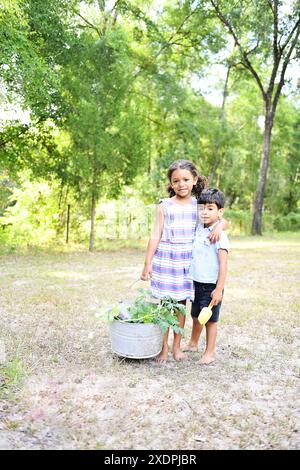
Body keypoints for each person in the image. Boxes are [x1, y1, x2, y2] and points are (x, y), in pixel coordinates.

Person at [140, 160, 227, 363]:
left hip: (187, 261)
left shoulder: (198, 205)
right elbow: (155, 235)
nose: (181, 184)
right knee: (164, 306)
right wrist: (147, 262)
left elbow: (220, 217)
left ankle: (177, 347)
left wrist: (220, 225)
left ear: (194, 180)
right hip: (166, 260)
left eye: (186, 179)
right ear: (171, 183)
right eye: (176, 180)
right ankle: (163, 348)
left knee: (180, 306)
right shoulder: (164, 205)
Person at [184, 187, 229, 364]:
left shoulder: (220, 236)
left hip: (211, 285)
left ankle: (209, 353)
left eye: (210, 208)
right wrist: (220, 223)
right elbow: (224, 221)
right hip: (195, 282)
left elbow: (224, 264)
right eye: (202, 208)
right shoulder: (199, 228)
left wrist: (218, 289)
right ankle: (193, 343)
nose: (204, 212)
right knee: (196, 316)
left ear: (220, 212)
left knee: (210, 320)